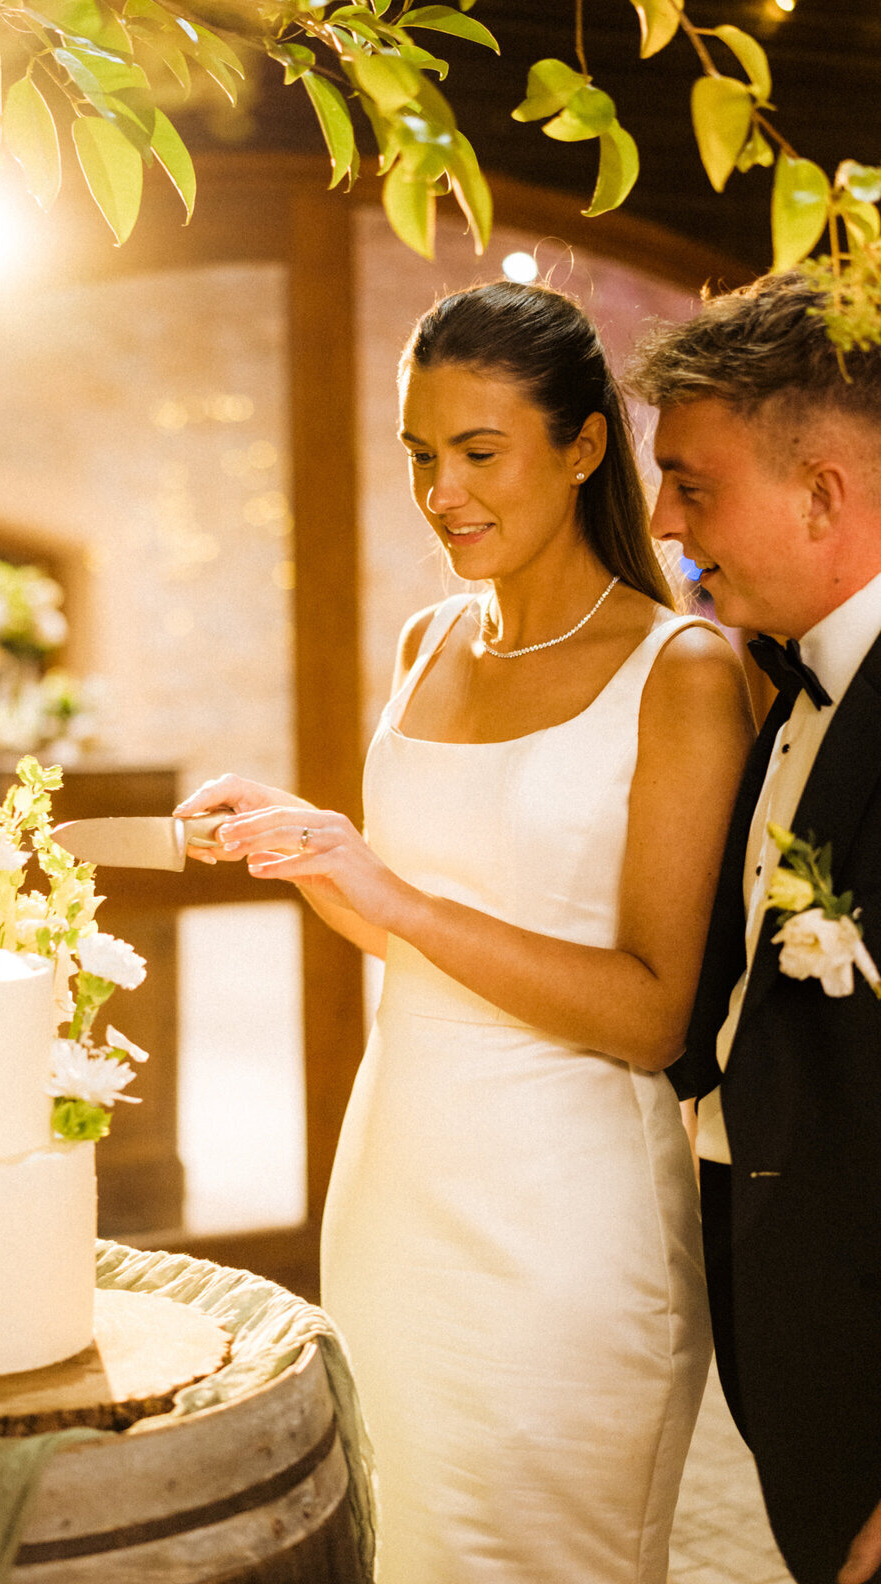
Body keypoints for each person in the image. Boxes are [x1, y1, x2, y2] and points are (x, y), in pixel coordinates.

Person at [176, 281, 753, 1583]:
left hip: (566, 1219)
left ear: (585, 447)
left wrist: (397, 895)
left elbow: (653, 1008)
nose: (444, 492)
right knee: (409, 1542)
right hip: (397, 1186)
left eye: (480, 453)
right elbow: (411, 941)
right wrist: (305, 845)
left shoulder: (683, 673)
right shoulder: (426, 644)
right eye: (423, 456)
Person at [638, 271, 881, 1584]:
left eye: (695, 483)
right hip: (784, 1314)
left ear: (823, 494)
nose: (669, 522)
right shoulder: (782, 692)